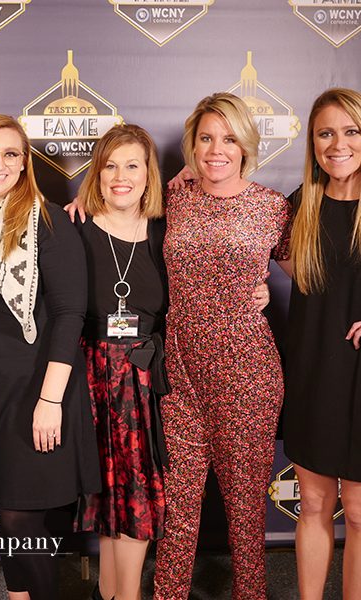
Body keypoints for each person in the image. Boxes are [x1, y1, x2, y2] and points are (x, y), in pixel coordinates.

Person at [0, 114, 100, 600]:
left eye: (11, 153)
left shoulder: (47, 220)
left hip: (36, 388)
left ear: (24, 163)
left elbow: (70, 314)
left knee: (21, 520)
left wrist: (49, 400)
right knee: (8, 517)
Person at [154, 92, 291, 600]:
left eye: (229, 139)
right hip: (181, 374)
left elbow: (314, 275)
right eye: (207, 138)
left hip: (248, 376)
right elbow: (114, 199)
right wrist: (83, 201)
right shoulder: (174, 197)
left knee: (247, 517)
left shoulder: (272, 207)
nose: (217, 150)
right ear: (192, 144)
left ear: (246, 145)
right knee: (177, 511)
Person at [72, 124, 169, 600]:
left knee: (137, 496)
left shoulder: (168, 231)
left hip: (143, 380)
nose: (120, 176)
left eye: (132, 165)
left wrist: (255, 290)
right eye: (109, 166)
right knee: (107, 496)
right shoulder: (75, 227)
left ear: (150, 174)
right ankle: (108, 593)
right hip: (90, 376)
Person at [283, 87, 361, 600]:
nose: (338, 144)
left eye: (351, 131)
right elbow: (223, 202)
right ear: (312, 143)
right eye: (325, 133)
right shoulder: (298, 206)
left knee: (358, 512)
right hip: (313, 369)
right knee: (312, 504)